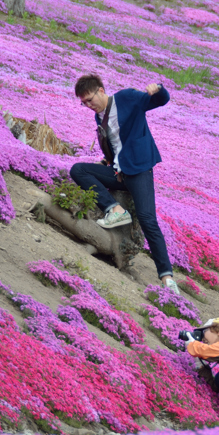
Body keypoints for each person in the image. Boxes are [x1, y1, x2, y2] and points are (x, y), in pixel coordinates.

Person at [70, 74, 179, 294]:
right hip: (119, 172)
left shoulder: (127, 98)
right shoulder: (99, 117)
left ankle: (167, 277)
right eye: (84, 103)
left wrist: (158, 88)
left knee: (148, 220)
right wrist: (110, 162)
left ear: (101, 90)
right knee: (78, 170)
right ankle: (114, 209)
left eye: (90, 99)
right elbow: (115, 144)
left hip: (139, 171)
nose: (88, 105)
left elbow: (160, 101)